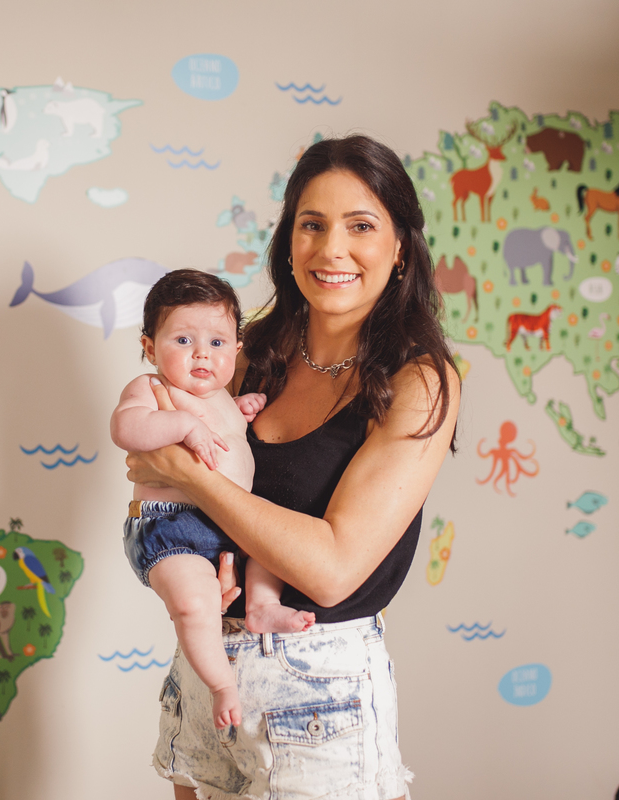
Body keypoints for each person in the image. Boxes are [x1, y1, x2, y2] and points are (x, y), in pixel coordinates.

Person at [125, 134, 461, 800]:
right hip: (210, 670)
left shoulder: (419, 380)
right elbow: (149, 478)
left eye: (360, 226)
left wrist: (195, 478)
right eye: (312, 225)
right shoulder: (248, 353)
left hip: (320, 689)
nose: (332, 249)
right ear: (288, 242)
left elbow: (332, 568)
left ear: (399, 249)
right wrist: (191, 576)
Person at [111, 269, 318, 730]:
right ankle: (222, 684)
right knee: (194, 603)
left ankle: (263, 606)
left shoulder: (226, 395)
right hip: (171, 527)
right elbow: (126, 428)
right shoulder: (151, 389)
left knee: (269, 546)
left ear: (237, 350)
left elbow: (228, 439)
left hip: (231, 521)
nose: (202, 352)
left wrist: (240, 414)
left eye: (217, 343)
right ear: (149, 348)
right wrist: (182, 426)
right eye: (183, 340)